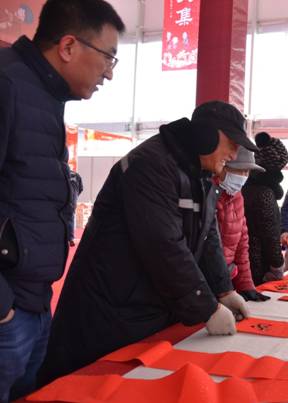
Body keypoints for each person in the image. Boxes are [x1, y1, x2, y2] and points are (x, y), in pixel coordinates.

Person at [38, 101, 255, 386]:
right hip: (109, 310)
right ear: (207, 135)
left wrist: (224, 289)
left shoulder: (199, 173)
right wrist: (207, 308)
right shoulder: (151, 165)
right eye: (232, 144)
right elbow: (163, 245)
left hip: (144, 306)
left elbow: (208, 234)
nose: (234, 154)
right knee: (85, 387)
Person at [0, 0, 124, 400]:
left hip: (33, 305)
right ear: (68, 46)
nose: (109, 73)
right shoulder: (7, 84)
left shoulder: (45, 96)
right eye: (108, 57)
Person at [216, 146, 270, 301]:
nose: (244, 176)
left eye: (247, 172)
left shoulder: (237, 196)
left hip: (226, 279)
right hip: (207, 282)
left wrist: (245, 285)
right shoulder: (208, 195)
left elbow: (242, 242)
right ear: (222, 167)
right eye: (240, 171)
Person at [241, 132, 288, 285]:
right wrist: (277, 265)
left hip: (243, 261)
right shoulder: (264, 193)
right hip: (257, 264)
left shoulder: (245, 186)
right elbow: (270, 234)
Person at [67, 169, 83, 247]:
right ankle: (70, 238)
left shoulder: (62, 174)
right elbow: (81, 188)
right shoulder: (77, 175)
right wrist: (75, 196)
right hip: (73, 200)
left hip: (63, 199)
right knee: (71, 218)